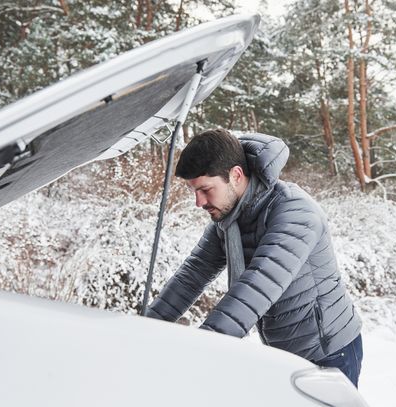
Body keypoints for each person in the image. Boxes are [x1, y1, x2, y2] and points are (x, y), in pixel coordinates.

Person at [144, 128, 363, 387]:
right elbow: (193, 275)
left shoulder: (295, 212)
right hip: (282, 353)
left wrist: (204, 348)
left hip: (328, 352)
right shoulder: (229, 219)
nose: (198, 202)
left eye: (205, 189)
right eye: (194, 191)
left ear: (236, 175)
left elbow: (257, 286)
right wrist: (144, 329)